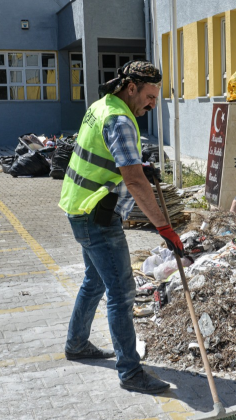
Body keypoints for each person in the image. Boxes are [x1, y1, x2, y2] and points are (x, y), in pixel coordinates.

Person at [58, 61, 183, 395]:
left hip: (79, 206)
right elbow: (132, 180)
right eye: (150, 96)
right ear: (131, 88)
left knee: (95, 280)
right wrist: (164, 227)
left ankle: (77, 343)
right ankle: (130, 372)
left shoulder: (103, 106)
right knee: (122, 292)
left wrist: (141, 165)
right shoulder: (120, 119)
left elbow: (112, 156)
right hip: (97, 216)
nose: (153, 104)